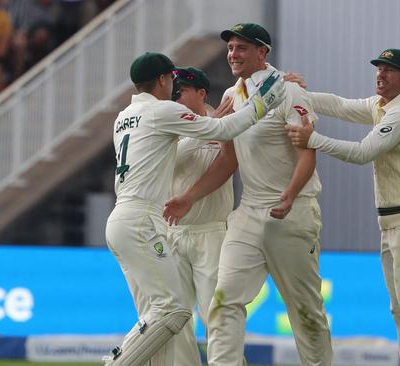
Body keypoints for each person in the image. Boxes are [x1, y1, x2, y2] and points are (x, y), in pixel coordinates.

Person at [164, 23, 333, 366]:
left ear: (262, 53)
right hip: (249, 213)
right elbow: (229, 160)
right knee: (223, 303)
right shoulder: (231, 96)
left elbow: (307, 153)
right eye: (230, 48)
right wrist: (190, 197)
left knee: (305, 312)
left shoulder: (289, 91)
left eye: (242, 48)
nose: (233, 54)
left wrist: (289, 195)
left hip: (293, 213)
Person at [103, 51, 285, 366]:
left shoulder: (124, 117)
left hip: (125, 220)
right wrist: (263, 102)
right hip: (145, 222)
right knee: (172, 310)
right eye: (171, 80)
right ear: (161, 79)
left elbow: (180, 149)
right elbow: (223, 131)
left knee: (164, 315)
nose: (173, 87)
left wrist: (212, 122)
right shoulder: (163, 112)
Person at [285, 49, 400, 366]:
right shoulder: (382, 106)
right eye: (378, 68)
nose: (380, 74)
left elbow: (363, 153)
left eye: (388, 70)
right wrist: (300, 94)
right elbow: (340, 105)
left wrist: (313, 139)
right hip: (393, 221)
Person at [169, 66, 238, 366]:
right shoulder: (169, 124)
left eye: (181, 92)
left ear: (200, 93)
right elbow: (168, 161)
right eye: (173, 92)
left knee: (216, 316)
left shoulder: (223, 123)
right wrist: (208, 126)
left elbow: (230, 162)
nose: (175, 98)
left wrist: (215, 128)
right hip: (173, 231)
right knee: (176, 318)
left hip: (211, 232)